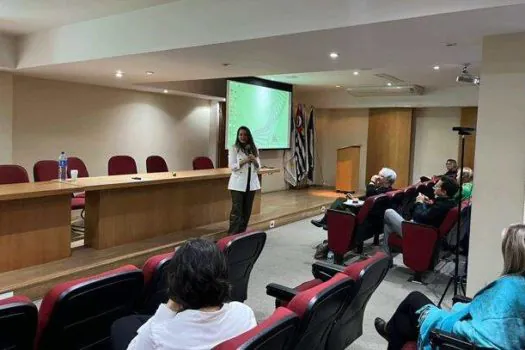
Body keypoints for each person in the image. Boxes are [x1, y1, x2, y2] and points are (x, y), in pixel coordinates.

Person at [374, 223, 525, 350]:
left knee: (413, 300)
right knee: (405, 321)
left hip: (454, 337)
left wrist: (456, 324)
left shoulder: (509, 288)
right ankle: (392, 331)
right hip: (467, 322)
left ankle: (391, 330)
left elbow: (486, 338)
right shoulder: (516, 285)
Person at [111, 238, 257, 350]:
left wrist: (170, 306)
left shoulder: (161, 335)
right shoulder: (244, 312)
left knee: (121, 327)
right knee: (128, 323)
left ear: (175, 284)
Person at [383, 176, 459, 256]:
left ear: (444, 192)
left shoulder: (442, 206)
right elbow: (432, 213)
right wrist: (429, 203)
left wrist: (419, 202)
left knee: (389, 212)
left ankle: (386, 257)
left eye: (437, 186)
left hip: (419, 233)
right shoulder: (450, 202)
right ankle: (386, 257)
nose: (434, 188)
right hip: (423, 229)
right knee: (388, 226)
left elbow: (419, 217)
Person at [311, 167, 397, 229]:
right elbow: (370, 197)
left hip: (367, 212)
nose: (378, 177)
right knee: (341, 200)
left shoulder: (384, 190)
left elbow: (371, 195)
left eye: (381, 176)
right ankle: (327, 221)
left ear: (387, 180)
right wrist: (357, 200)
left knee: (341, 203)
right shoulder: (385, 189)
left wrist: (372, 181)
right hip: (366, 207)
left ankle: (328, 222)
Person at [227, 126, 261, 234]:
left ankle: (241, 233)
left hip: (251, 184)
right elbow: (232, 166)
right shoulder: (234, 148)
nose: (243, 137)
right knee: (237, 212)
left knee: (247, 211)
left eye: (245, 135)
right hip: (237, 184)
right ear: (238, 136)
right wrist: (245, 160)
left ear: (248, 136)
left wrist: (254, 160)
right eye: (240, 134)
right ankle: (232, 235)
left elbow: (258, 166)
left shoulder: (254, 148)